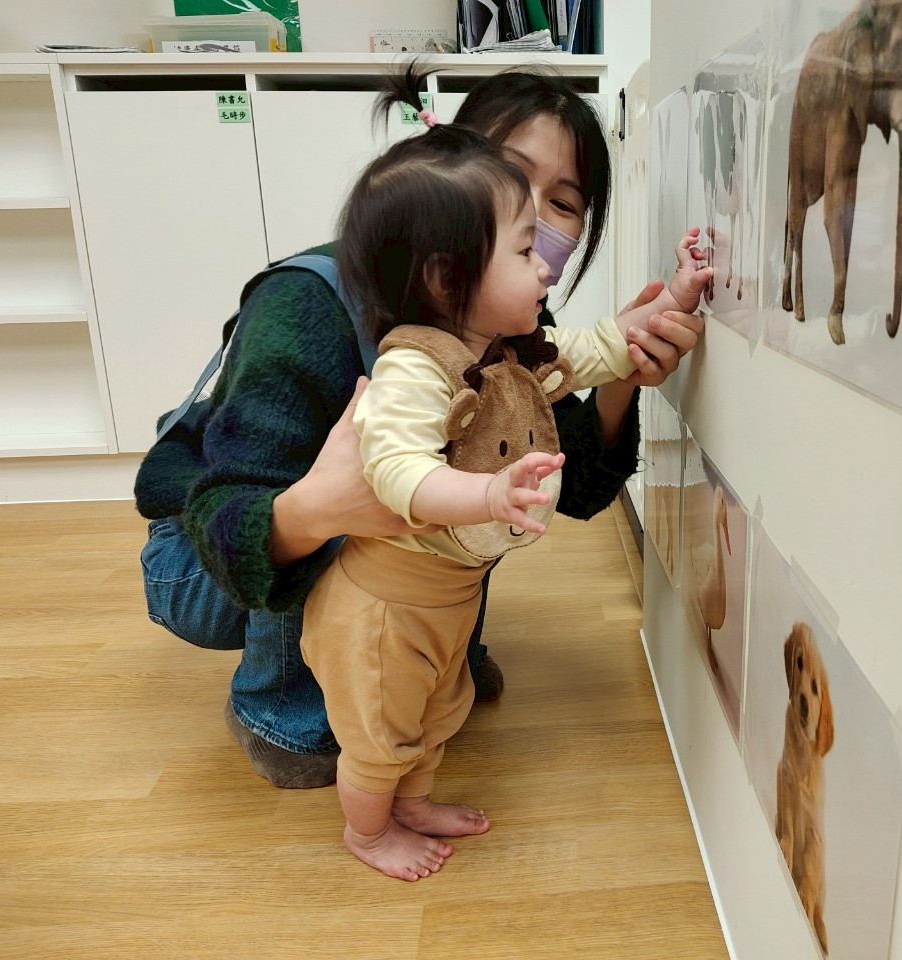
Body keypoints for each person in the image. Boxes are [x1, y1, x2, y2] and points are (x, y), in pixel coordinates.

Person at [134, 66, 706, 791]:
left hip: (359, 545)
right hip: (213, 548)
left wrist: (628, 363)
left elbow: (578, 484)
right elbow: (229, 508)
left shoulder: (505, 317)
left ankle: (429, 656)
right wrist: (320, 508)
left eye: (564, 203)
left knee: (474, 471)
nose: (536, 217)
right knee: (393, 479)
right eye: (510, 175)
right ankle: (278, 707)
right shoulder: (304, 307)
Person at [301, 109, 710, 879]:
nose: (545, 268)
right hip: (384, 609)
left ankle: (413, 805)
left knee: (439, 712)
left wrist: (676, 297)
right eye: (524, 251)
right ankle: (368, 833)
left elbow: (595, 350)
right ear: (445, 278)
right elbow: (396, 471)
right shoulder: (412, 368)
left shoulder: (503, 351)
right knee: (380, 735)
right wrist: (488, 494)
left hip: (446, 598)